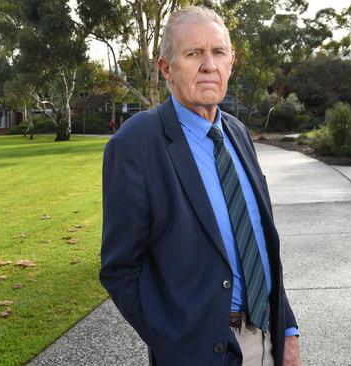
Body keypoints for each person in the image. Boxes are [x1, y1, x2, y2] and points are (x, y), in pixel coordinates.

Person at [100, 6, 301, 366]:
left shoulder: (238, 134)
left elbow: (261, 244)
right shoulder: (135, 144)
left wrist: (287, 331)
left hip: (268, 339)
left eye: (218, 52)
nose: (209, 65)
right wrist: (173, 341)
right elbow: (119, 268)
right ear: (165, 67)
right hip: (197, 351)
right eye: (193, 53)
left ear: (231, 61)